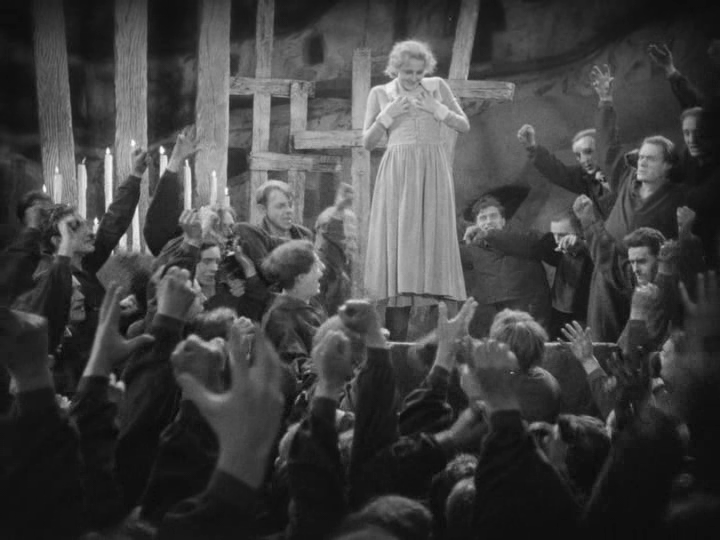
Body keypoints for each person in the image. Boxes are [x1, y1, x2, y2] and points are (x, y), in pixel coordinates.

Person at [362, 39, 469, 341]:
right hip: (399, 174)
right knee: (402, 251)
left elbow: (464, 125)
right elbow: (367, 142)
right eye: (407, 72)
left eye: (419, 72)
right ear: (395, 68)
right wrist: (388, 114)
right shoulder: (380, 93)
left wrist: (438, 109)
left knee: (434, 247)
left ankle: (442, 344)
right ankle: (396, 345)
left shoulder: (437, 87)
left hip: (432, 172)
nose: (413, 78)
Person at [517, 65, 619, 219]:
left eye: (588, 152)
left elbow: (607, 133)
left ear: (601, 148)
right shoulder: (586, 180)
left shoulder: (623, 169)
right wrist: (532, 147)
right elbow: (557, 172)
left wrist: (605, 100)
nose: (584, 159)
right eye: (578, 155)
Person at [460, 195, 551, 338]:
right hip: (494, 314)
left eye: (493, 216)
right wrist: (467, 241)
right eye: (483, 218)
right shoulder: (473, 249)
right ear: (475, 225)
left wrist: (489, 234)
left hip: (528, 309)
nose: (489, 221)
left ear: (503, 221)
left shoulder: (520, 237)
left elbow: (536, 244)